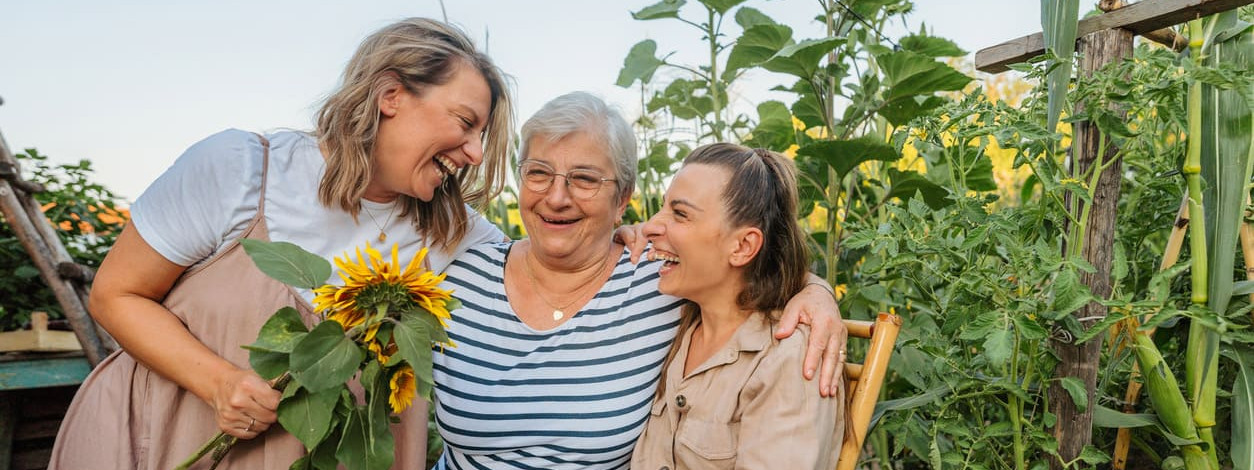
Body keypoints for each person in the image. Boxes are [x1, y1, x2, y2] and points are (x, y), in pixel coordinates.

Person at [49, 18, 514, 469]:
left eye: (482, 135)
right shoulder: (243, 170)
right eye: (465, 122)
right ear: (390, 95)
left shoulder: (454, 234)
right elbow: (115, 295)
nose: (474, 152)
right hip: (159, 441)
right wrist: (218, 383)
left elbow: (557, 275)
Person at [432, 92, 847, 470]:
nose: (556, 197)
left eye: (585, 179)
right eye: (538, 173)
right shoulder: (460, 268)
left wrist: (815, 292)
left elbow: (744, 270)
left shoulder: (657, 284)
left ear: (623, 197)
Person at [631, 143, 846, 469]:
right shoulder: (679, 322)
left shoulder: (787, 359)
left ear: (743, 246)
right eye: (663, 208)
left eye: (680, 214)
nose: (649, 226)